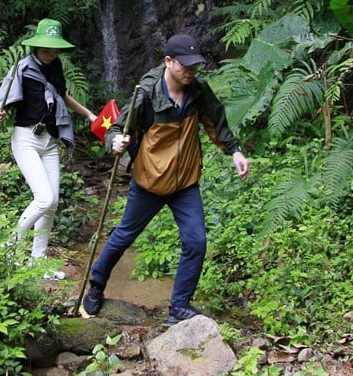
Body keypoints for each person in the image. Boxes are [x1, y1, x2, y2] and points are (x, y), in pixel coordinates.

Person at [81, 33, 250, 325]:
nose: (190, 72)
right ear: (168, 61)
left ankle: (179, 307)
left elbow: (215, 121)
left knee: (196, 242)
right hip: (149, 182)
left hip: (185, 183)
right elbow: (117, 129)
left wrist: (234, 152)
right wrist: (116, 142)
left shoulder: (197, 90)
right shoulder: (146, 94)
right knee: (124, 235)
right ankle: (96, 286)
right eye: (185, 66)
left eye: (194, 66)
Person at [0, 18, 97, 279]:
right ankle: (10, 246)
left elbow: (62, 96)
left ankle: (37, 262)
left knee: (52, 204)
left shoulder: (56, 67)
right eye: (46, 49)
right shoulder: (23, 68)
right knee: (44, 198)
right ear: (36, 46)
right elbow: (4, 95)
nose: (51, 54)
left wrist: (89, 114)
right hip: (26, 138)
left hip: (50, 140)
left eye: (55, 50)